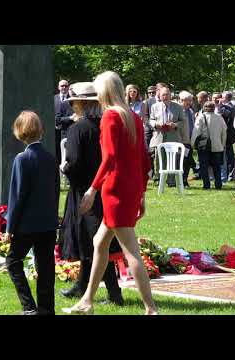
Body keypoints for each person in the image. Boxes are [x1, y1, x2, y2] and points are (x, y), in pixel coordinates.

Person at [66, 71, 157, 315]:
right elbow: (144, 162)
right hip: (129, 188)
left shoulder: (110, 117)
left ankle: (151, 309)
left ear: (104, 91)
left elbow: (109, 159)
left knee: (130, 251)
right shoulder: (133, 117)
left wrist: (92, 190)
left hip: (114, 190)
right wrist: (142, 195)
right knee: (99, 242)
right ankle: (87, 300)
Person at [59, 82, 123, 306]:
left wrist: (64, 169)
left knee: (96, 241)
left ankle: (115, 294)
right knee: (92, 240)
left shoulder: (79, 128)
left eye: (74, 102)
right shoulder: (108, 125)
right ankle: (81, 284)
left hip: (84, 191)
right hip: (106, 189)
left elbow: (74, 162)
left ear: (81, 103)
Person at [4, 110, 59, 315]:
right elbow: (55, 192)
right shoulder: (50, 158)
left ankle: (29, 307)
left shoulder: (22, 159)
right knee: (46, 267)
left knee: (13, 261)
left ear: (20, 132)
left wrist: (10, 226)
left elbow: (17, 196)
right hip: (47, 222)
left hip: (27, 224)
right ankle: (46, 309)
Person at [149, 86, 186, 187]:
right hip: (159, 136)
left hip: (173, 136)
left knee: (172, 159)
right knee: (158, 159)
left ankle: (171, 181)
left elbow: (183, 121)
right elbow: (151, 120)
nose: (165, 96)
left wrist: (175, 125)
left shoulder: (178, 107)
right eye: (163, 95)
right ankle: (158, 179)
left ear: (171, 95)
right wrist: (156, 124)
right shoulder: (154, 106)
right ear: (160, 96)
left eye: (167, 94)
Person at [191, 101, 227, 190]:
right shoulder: (219, 118)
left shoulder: (200, 117)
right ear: (214, 108)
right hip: (217, 146)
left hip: (204, 147)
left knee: (204, 167)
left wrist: (193, 144)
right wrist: (222, 144)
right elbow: (224, 132)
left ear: (204, 108)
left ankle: (206, 185)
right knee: (217, 167)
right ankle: (218, 184)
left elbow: (196, 132)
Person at [179, 90, 197, 187]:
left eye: (190, 100)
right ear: (182, 100)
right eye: (188, 100)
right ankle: (181, 180)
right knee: (183, 161)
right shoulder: (179, 111)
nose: (190, 102)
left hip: (190, 140)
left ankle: (184, 179)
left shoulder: (190, 111)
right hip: (181, 140)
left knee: (187, 162)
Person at [54, 79, 74, 165]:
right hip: (55, 130)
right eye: (62, 86)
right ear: (58, 87)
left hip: (67, 130)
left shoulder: (73, 99)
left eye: (66, 86)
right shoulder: (53, 99)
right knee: (57, 150)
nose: (64, 87)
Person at [220, 91, 235, 181]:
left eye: (222, 97)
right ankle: (227, 173)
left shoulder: (230, 107)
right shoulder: (229, 106)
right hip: (227, 134)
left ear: (226, 98)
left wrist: (220, 107)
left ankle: (230, 174)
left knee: (228, 155)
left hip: (228, 134)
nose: (221, 99)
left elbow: (227, 114)